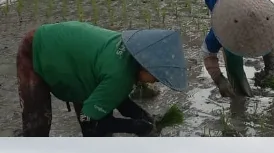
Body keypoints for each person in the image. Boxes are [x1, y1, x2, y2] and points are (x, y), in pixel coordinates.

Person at [17, 23, 187, 137]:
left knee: (96, 132)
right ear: (144, 65)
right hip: (37, 48)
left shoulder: (128, 53)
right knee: (37, 129)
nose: (154, 82)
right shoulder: (119, 76)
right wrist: (135, 127)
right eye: (155, 77)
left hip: (75, 58)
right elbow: (89, 118)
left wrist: (143, 116)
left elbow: (115, 96)